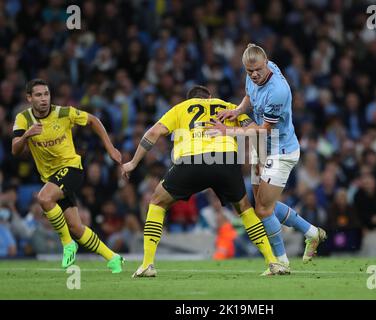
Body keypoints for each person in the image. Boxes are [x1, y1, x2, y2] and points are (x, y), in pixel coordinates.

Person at [122, 85, 289, 277]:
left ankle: (147, 265)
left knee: (157, 201)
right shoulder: (228, 106)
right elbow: (254, 131)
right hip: (226, 160)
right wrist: (259, 161)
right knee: (244, 208)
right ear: (210, 97)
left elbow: (153, 133)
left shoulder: (180, 108)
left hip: (191, 160)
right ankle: (272, 262)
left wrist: (133, 163)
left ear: (189, 99)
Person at [214, 43, 327, 270]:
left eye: (258, 70)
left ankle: (281, 262)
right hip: (262, 147)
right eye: (249, 71)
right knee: (264, 204)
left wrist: (230, 132)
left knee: (263, 210)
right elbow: (249, 95)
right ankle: (313, 233)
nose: (254, 75)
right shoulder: (255, 71)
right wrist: (236, 111)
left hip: (281, 150)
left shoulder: (278, 91)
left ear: (266, 63)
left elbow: (264, 128)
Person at [11, 79, 124, 273]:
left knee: (44, 198)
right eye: (38, 95)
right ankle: (113, 258)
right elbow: (15, 149)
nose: (44, 99)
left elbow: (93, 120)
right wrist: (26, 136)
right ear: (29, 98)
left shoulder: (63, 113)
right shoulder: (23, 119)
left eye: (46, 94)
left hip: (72, 168)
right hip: (51, 177)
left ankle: (67, 244)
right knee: (76, 227)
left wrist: (110, 148)